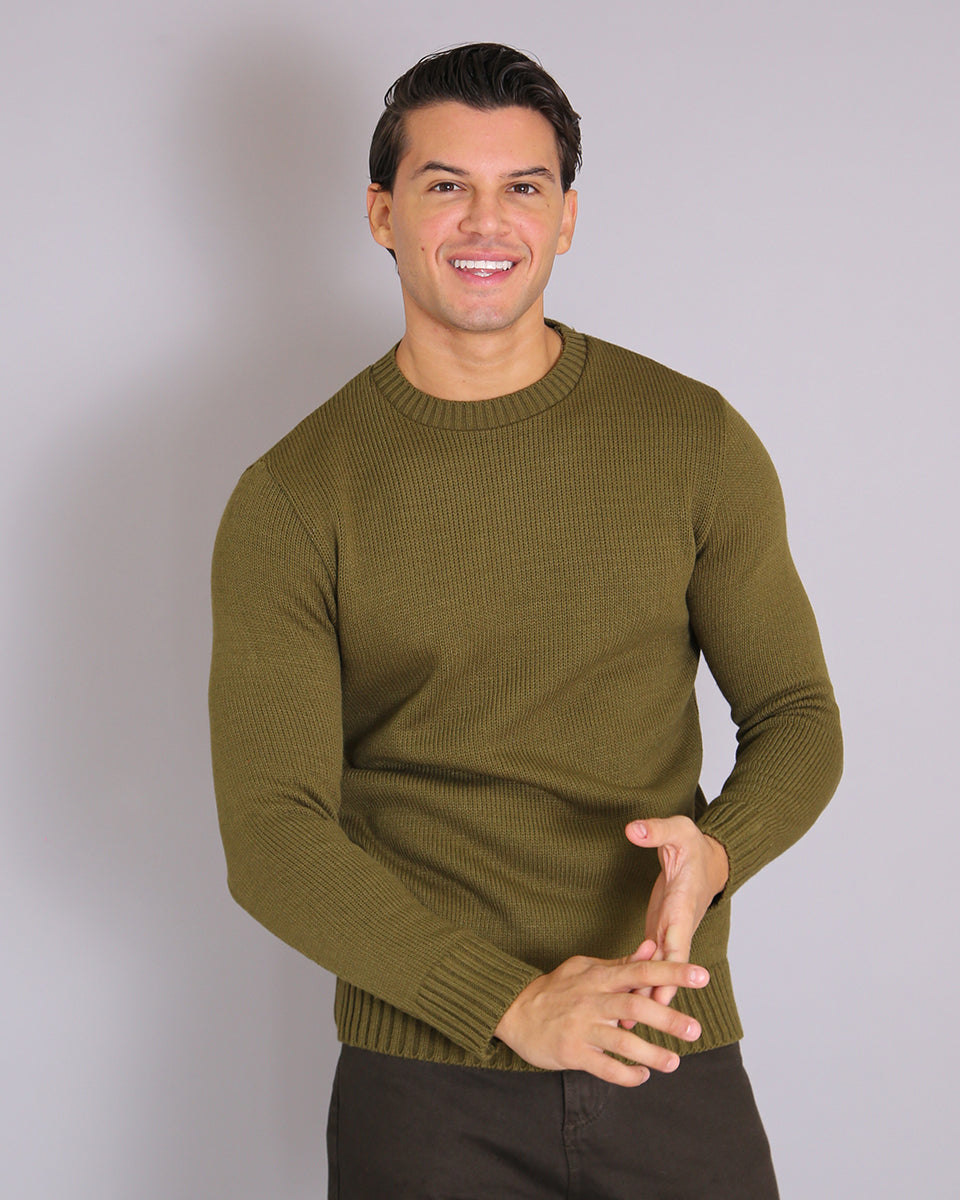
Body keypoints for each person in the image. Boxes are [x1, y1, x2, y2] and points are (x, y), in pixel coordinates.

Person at [209, 42, 842, 1198]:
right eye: (446, 184)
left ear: (566, 218)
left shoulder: (691, 439)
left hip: (665, 1039)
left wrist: (716, 855)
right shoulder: (295, 496)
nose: (485, 221)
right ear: (381, 212)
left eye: (523, 186)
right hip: (424, 1086)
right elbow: (272, 834)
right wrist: (509, 1003)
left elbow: (797, 714)